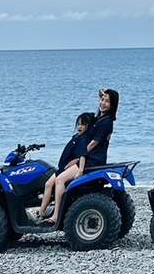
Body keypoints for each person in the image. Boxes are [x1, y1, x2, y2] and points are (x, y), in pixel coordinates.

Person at [46, 88, 118, 224]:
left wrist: (76, 158)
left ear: (112, 105)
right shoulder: (100, 118)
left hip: (92, 160)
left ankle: (56, 216)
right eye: (102, 100)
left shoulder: (107, 122)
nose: (103, 103)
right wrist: (101, 93)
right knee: (55, 178)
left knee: (60, 180)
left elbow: (92, 145)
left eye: (107, 101)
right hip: (87, 158)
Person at [37, 112, 95, 220]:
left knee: (59, 181)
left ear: (88, 126)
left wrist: (80, 170)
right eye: (78, 124)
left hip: (73, 168)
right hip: (63, 167)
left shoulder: (83, 139)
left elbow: (82, 155)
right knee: (48, 184)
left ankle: (56, 215)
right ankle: (41, 212)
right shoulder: (77, 137)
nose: (79, 127)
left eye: (83, 124)